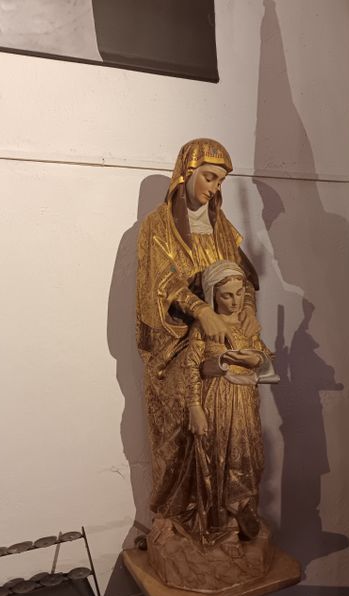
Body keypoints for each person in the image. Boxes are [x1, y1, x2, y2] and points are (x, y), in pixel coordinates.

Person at [136, 139, 261, 530]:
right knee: (184, 424)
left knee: (235, 428)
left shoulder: (221, 228)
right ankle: (182, 518)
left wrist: (248, 313)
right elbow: (160, 283)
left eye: (220, 181)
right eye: (209, 177)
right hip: (175, 346)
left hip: (223, 345)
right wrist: (201, 311)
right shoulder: (158, 226)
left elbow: (243, 279)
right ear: (186, 173)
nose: (214, 188)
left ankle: (226, 513)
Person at [185, 260, 274, 543]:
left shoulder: (248, 327)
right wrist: (195, 407)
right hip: (217, 401)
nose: (234, 302)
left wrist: (255, 359)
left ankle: (244, 514)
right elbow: (191, 368)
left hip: (245, 402)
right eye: (226, 295)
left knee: (248, 458)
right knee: (221, 459)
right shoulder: (203, 328)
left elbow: (265, 361)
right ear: (213, 294)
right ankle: (224, 528)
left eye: (239, 294)